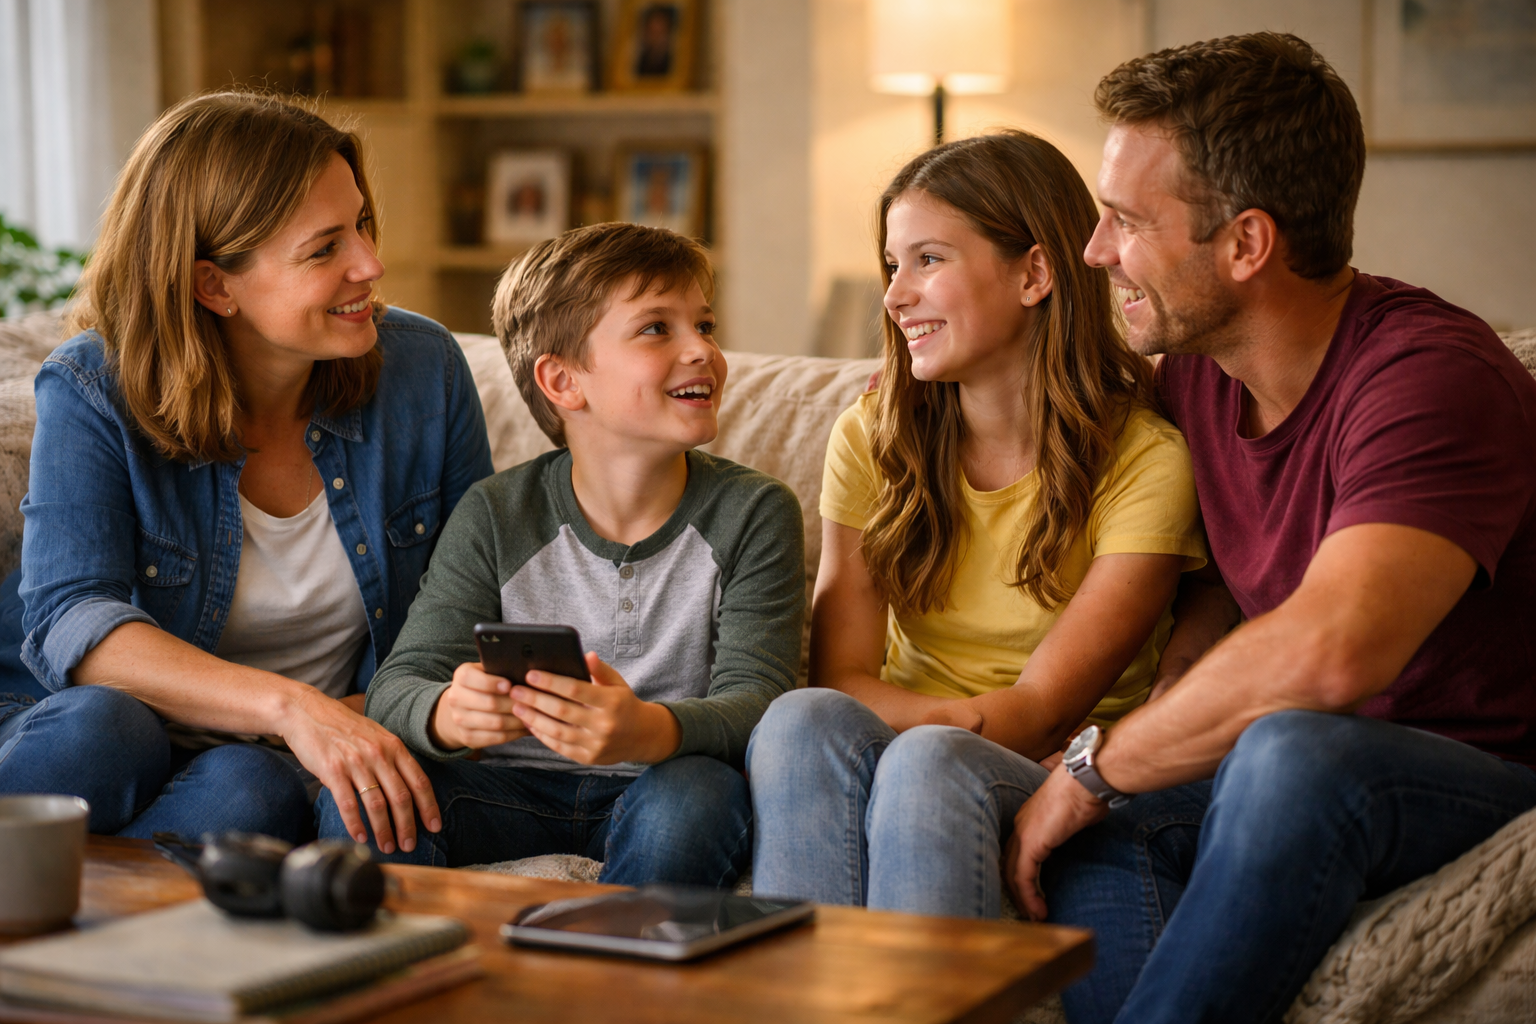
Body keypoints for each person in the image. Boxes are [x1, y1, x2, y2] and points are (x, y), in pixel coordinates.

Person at [1002, 33, 1536, 1024]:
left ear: (1247, 244)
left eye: (1124, 220)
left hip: (1477, 772)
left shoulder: (1430, 380)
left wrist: (1095, 766)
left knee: (1293, 751)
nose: (1095, 251)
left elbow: (1332, 651)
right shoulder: (1201, 372)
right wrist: (920, 397)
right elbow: (1205, 579)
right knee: (1126, 819)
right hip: (1282, 768)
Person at [0, 92, 494, 849]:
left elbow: (469, 607)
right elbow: (74, 622)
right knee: (110, 728)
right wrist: (294, 708)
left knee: (251, 793)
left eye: (360, 224)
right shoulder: (95, 385)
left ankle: (74, 918)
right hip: (75, 731)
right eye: (324, 248)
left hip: (257, 766)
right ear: (214, 285)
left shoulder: (423, 374)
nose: (372, 263)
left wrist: (360, 716)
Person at [747, 130, 1207, 917]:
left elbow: (1045, 709)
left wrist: (938, 732)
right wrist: (941, 720)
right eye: (893, 266)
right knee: (798, 718)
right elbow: (841, 678)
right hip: (908, 744)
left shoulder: (1146, 460)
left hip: (1039, 767)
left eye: (929, 260)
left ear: (1033, 273)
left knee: (931, 763)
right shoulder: (870, 436)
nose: (894, 297)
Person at [317, 222, 805, 887]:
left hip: (660, 782)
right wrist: (449, 713)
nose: (703, 351)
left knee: (695, 797)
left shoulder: (755, 512)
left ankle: (617, 977)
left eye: (706, 325)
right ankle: (401, 974)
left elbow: (759, 704)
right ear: (563, 381)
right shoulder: (496, 513)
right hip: (504, 787)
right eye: (657, 328)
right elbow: (399, 685)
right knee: (367, 795)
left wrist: (650, 731)